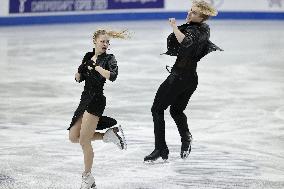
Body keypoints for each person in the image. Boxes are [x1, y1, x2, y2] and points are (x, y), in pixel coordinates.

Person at [144, 0, 223, 162]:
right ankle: (186, 139)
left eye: (194, 13)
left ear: (202, 17)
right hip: (190, 79)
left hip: (179, 78)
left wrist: (174, 27)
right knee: (176, 111)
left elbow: (186, 42)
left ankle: (161, 149)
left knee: (157, 109)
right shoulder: (203, 29)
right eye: (190, 10)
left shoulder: (197, 30)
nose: (189, 14)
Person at [68, 29, 129, 189]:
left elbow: (113, 76)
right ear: (95, 41)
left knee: (84, 140)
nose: (105, 44)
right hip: (84, 99)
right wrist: (79, 72)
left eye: (107, 42)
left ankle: (87, 177)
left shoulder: (109, 58)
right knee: (73, 137)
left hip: (96, 99)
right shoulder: (88, 56)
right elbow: (78, 78)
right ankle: (109, 135)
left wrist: (96, 67)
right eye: (103, 41)